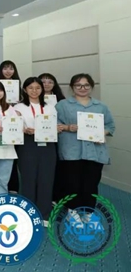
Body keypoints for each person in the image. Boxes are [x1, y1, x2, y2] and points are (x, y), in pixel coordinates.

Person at [55, 74, 115, 216]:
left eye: (86, 85)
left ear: (91, 86)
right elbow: (53, 125)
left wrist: (102, 133)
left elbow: (110, 126)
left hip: (95, 151)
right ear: (72, 87)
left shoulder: (101, 106)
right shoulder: (62, 105)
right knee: (72, 184)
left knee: (91, 184)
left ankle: (89, 213)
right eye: (78, 85)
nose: (82, 88)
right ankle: (72, 212)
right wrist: (67, 127)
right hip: (71, 151)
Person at [14, 77, 63, 226]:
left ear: (42, 89)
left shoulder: (50, 107)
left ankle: (44, 213)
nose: (34, 91)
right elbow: (14, 126)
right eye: (30, 88)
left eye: (37, 88)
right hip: (28, 143)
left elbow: (54, 124)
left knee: (46, 179)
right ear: (25, 90)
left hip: (47, 144)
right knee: (28, 178)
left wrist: (57, 128)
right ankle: (27, 212)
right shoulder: (18, 107)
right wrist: (24, 129)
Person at [39, 72, 66, 203]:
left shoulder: (62, 101)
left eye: (50, 82)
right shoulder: (32, 100)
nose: (46, 84)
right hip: (39, 137)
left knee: (58, 168)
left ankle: (56, 196)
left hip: (58, 138)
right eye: (43, 82)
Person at [0, 60, 22, 193]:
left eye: (11, 68)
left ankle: (13, 185)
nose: (8, 71)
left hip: (14, 125)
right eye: (5, 68)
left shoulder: (20, 88)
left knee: (12, 156)